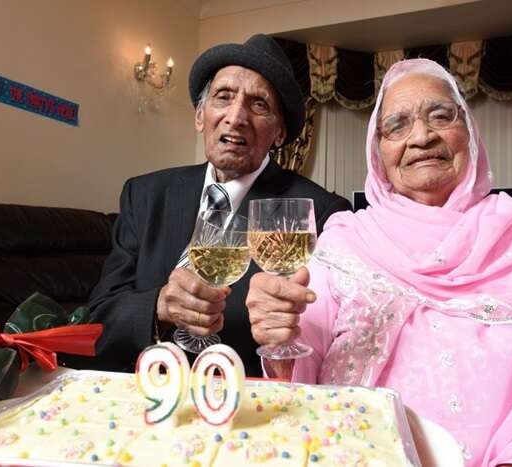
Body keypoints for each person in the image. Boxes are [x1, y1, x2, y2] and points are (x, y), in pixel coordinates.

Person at [246, 58, 512, 466]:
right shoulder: (346, 240)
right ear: (378, 153)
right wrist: (278, 329)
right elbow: (301, 367)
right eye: (397, 126)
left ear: (469, 132)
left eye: (440, 115)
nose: (421, 136)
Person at [89, 34, 351, 376]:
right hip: (139, 388)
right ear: (200, 117)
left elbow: (327, 344)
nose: (236, 116)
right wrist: (159, 305)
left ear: (280, 133)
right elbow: (99, 318)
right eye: (223, 97)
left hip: (242, 400)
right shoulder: (145, 194)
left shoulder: (320, 211)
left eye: (259, 104)